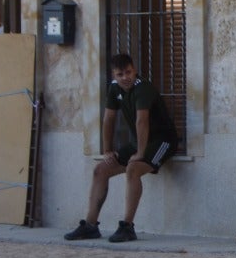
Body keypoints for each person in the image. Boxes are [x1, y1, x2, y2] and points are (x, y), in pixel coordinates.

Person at [64, 53, 179, 243]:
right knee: (101, 170)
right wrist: (107, 150)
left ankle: (127, 227)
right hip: (138, 142)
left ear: (134, 70)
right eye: (120, 74)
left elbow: (142, 121)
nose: (125, 77)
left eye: (129, 72)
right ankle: (90, 226)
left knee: (133, 169)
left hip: (162, 141)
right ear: (114, 75)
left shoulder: (143, 88)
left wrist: (140, 154)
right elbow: (108, 119)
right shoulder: (114, 89)